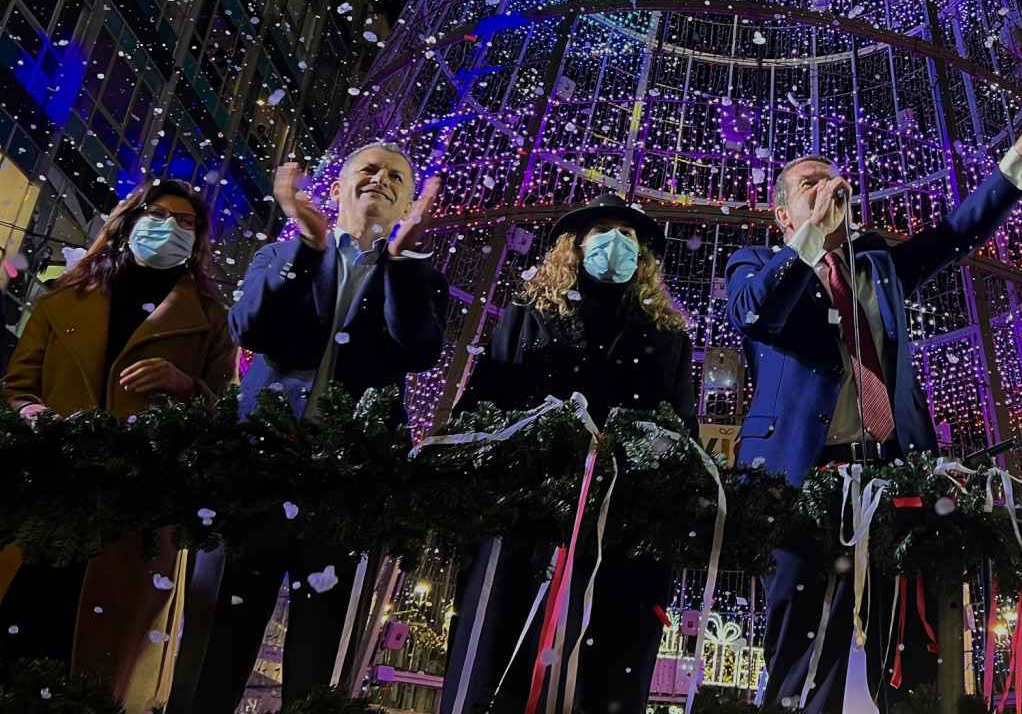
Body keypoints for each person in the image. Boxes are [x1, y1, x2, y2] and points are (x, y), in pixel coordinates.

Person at [728, 71, 1022, 712]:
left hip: (893, 478)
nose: (829, 188)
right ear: (781, 211)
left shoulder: (879, 265)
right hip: (800, 478)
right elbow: (760, 315)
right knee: (802, 653)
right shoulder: (754, 265)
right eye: (810, 183)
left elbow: (957, 232)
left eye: (833, 181)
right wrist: (809, 239)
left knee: (902, 642)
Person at [186, 143, 449, 713]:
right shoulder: (280, 254)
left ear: (407, 201)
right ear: (337, 187)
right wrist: (307, 250)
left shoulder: (418, 275)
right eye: (369, 169)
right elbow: (248, 327)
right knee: (215, 647)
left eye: (396, 177)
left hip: (346, 488)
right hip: (255, 472)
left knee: (318, 663)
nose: (380, 180)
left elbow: (420, 350)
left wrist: (402, 265)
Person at [439, 193, 695, 714]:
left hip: (619, 533)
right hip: (523, 524)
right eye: (605, 229)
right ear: (574, 244)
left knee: (602, 671)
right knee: (502, 652)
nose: (617, 243)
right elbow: (481, 407)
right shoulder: (528, 317)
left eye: (630, 235)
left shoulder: (667, 339)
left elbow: (681, 433)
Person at [0, 179, 236, 711]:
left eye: (186, 223)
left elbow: (220, 413)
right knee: (17, 625)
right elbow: (18, 385)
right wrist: (34, 415)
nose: (169, 227)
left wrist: (183, 384)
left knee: (90, 655)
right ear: (128, 221)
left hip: (133, 511)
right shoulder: (65, 298)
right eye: (157, 214)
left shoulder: (208, 320)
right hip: (45, 495)